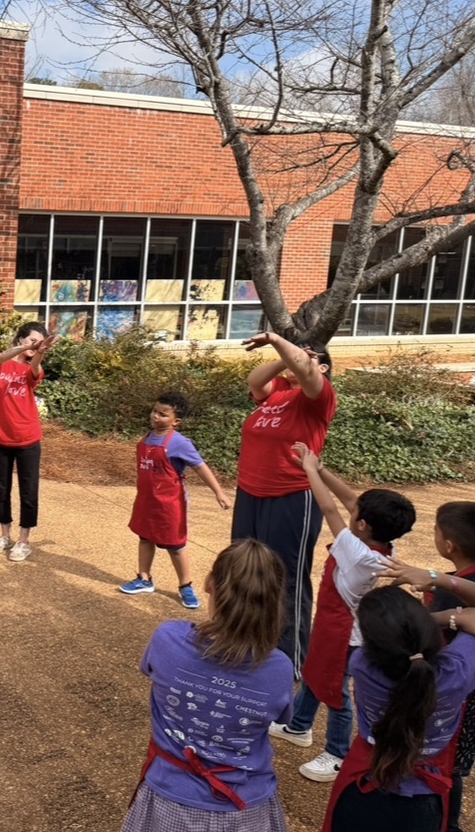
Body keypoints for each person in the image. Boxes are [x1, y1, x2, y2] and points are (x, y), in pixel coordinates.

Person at [268, 443, 416, 785]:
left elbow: (328, 508)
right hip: (335, 623)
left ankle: (336, 753)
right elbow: (351, 502)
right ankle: (298, 725)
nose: (352, 508)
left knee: (336, 689)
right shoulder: (380, 542)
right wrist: (320, 468)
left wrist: (309, 472)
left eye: (357, 514)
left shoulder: (357, 552)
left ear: (361, 525)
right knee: (315, 671)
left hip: (346, 633)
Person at [121, 540, 294, 832]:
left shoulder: (167, 639)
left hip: (170, 796)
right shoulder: (279, 668)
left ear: (209, 583)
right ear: (274, 600)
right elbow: (282, 716)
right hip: (246, 806)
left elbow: (149, 669)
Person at [322, 583, 475, 832]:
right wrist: (440, 592)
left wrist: (444, 618)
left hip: (362, 786)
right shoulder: (458, 672)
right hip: (422, 802)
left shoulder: (361, 665)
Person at [232, 332, 337, 674]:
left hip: (291, 495)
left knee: (285, 578)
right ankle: (244, 644)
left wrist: (277, 340)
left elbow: (306, 370)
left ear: (323, 367)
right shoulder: (277, 392)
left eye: (308, 354)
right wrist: (282, 357)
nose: (298, 357)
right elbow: (254, 381)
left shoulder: (318, 396)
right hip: (250, 492)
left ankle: (289, 660)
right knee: (243, 570)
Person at [421, 502, 475, 832]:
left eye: (436, 531)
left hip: (454, 691)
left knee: (446, 763)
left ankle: (448, 825)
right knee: (451, 764)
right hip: (471, 685)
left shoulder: (456, 595)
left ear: (449, 545)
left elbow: (427, 629)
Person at [121, 391, 231, 608]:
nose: (155, 416)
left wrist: (219, 492)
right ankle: (144, 579)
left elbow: (200, 466)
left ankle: (185, 585)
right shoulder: (147, 438)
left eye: (163, 414)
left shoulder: (180, 443)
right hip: (146, 500)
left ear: (176, 421)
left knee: (176, 545)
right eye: (154, 411)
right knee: (145, 538)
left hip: (170, 504)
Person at [0, 321, 58, 562]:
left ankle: (24, 540)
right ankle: (4, 535)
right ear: (20, 339)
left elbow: (35, 367)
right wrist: (26, 348)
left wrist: (39, 352)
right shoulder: (1, 363)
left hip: (27, 439)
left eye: (39, 342)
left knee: (28, 492)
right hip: (0, 438)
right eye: (32, 340)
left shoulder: (32, 369)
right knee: (1, 489)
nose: (35, 345)